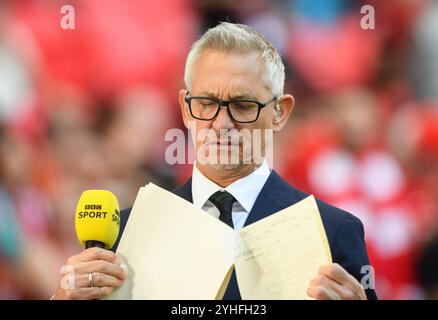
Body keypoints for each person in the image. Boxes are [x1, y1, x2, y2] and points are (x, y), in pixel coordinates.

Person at [54, 22, 377, 300]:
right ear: (184, 107)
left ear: (280, 112)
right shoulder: (125, 234)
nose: (221, 124)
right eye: (206, 103)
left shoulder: (332, 232)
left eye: (243, 105)